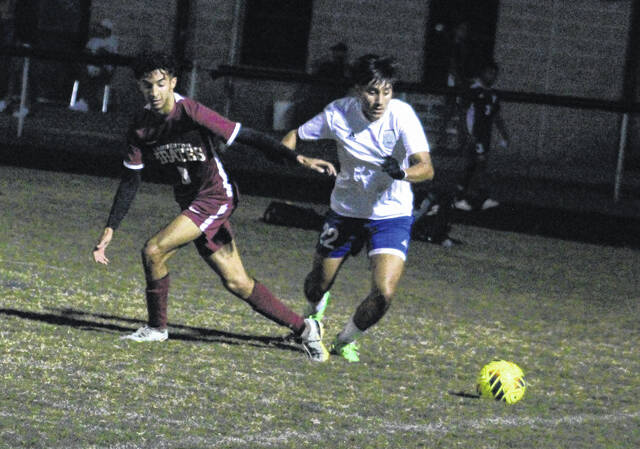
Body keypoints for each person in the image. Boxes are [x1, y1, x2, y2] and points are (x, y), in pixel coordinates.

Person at [92, 51, 337, 362]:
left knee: (153, 250)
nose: (154, 92)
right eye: (146, 86)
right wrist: (110, 228)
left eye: (160, 84)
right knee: (237, 281)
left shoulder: (190, 111)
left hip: (214, 197)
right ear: (139, 88)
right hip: (193, 204)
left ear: (173, 82)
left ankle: (156, 328)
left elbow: (247, 136)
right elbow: (130, 180)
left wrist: (296, 158)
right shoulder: (140, 127)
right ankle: (305, 329)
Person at [281, 54, 435, 362]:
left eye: (387, 91)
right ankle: (313, 317)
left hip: (391, 215)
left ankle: (344, 340)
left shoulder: (402, 116)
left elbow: (426, 168)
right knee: (317, 284)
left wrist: (401, 173)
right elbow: (291, 138)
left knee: (384, 294)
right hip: (346, 211)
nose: (380, 100)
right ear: (357, 90)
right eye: (372, 91)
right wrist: (303, 159)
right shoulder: (338, 113)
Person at [454, 60, 510, 211]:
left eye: (494, 74)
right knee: (479, 165)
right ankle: (480, 197)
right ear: (482, 73)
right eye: (489, 72)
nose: (492, 76)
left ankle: (462, 195)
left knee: (473, 166)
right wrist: (466, 133)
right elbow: (463, 113)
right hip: (475, 134)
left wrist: (504, 134)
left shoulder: (492, 94)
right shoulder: (473, 90)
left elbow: (496, 116)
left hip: (485, 135)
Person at [70, 18, 119, 112]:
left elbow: (108, 55)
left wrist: (99, 53)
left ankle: (85, 101)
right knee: (82, 71)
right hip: (90, 65)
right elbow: (87, 52)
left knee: (91, 76)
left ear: (106, 30)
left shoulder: (113, 41)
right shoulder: (93, 40)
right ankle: (85, 101)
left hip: (104, 69)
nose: (98, 30)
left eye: (101, 28)